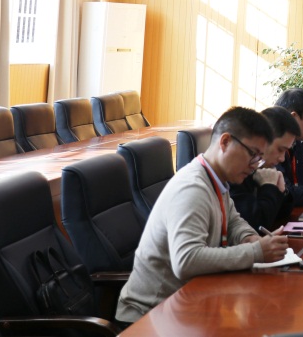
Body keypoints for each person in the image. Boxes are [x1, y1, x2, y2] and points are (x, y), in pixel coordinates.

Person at [116, 107, 289, 323]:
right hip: (150, 316)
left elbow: (233, 221)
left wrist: (249, 238)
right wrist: (256, 252)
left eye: (260, 158)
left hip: (188, 303)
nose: (255, 166)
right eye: (252, 154)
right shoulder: (193, 188)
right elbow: (186, 260)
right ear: (225, 142)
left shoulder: (215, 178)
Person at [229, 107, 298, 231]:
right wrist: (269, 187)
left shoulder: (260, 169)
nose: (282, 158)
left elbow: (281, 215)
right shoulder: (237, 173)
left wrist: (281, 191)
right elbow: (257, 225)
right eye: (280, 150)